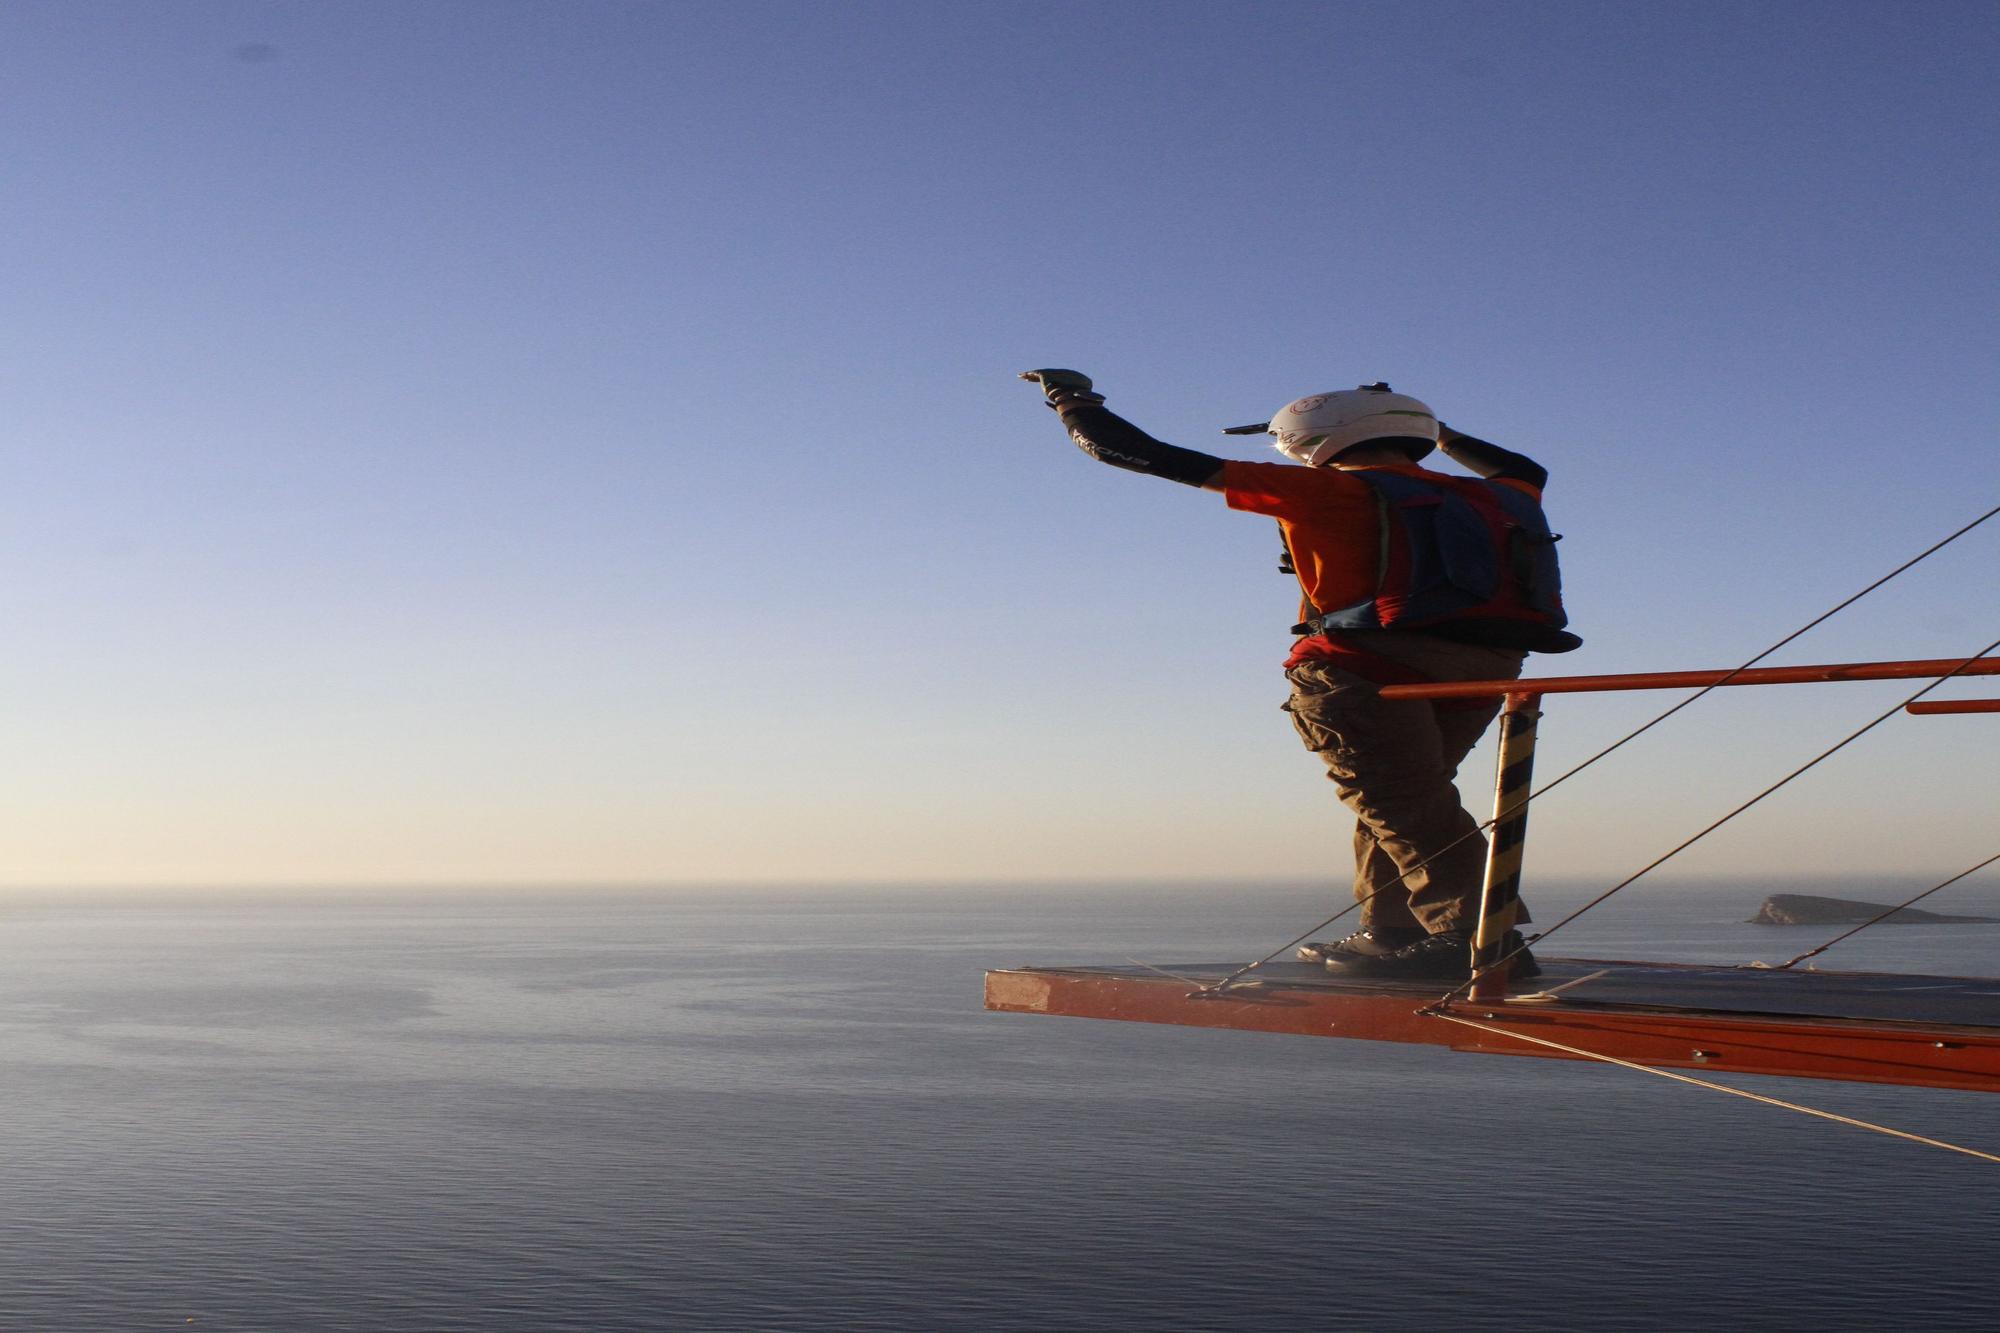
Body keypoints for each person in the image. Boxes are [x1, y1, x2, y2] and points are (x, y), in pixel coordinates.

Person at [1022, 370, 1581, 981]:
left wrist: (1071, 399)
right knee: (1410, 796)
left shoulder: (1326, 491)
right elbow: (1523, 464)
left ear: (1312, 440)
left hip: (1363, 666)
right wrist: (1434, 430)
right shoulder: (1505, 496)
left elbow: (1132, 452)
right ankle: (1391, 930)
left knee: (1401, 801)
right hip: (1484, 667)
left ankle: (1476, 939)